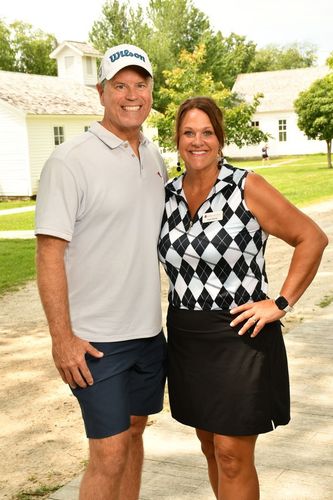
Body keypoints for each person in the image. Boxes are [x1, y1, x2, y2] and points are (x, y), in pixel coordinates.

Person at [158, 96, 328, 500]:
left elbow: (312, 238)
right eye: (188, 132)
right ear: (177, 139)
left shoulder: (245, 186)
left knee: (233, 453)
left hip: (239, 334)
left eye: (207, 132)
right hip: (187, 338)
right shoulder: (164, 195)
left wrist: (281, 303)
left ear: (220, 139)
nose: (197, 141)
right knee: (210, 447)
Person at [35, 44, 168, 500]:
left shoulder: (154, 157)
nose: (132, 94)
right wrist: (62, 339)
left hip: (149, 335)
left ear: (151, 90)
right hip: (96, 342)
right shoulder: (70, 161)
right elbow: (49, 254)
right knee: (108, 454)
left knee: (134, 436)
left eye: (140, 84)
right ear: (102, 92)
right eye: (120, 85)